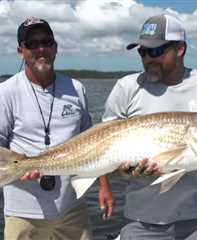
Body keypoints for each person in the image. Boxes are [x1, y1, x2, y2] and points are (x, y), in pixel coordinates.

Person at [102, 13, 197, 240]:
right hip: (140, 221)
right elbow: (103, 147)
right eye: (142, 52)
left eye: (155, 51)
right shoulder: (126, 88)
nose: (147, 59)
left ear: (180, 49)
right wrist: (119, 169)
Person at [0, 17, 114, 240]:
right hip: (23, 214)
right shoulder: (5, 92)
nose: (41, 48)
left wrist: (104, 187)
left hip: (72, 208)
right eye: (31, 44)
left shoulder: (76, 88)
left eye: (47, 42)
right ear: (20, 50)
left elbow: (97, 143)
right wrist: (21, 166)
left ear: (55, 47)